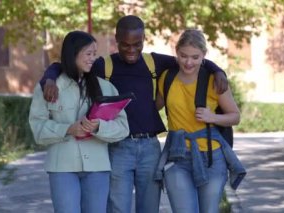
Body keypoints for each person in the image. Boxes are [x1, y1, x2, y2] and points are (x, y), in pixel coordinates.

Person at [40, 16, 228, 213]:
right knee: (118, 207)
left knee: (149, 208)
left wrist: (218, 70)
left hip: (150, 148)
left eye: (137, 44)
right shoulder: (104, 65)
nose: (131, 50)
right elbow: (65, 64)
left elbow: (191, 58)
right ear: (116, 39)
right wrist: (50, 79)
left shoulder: (152, 62)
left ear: (144, 39)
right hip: (118, 147)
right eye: (125, 45)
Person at [29, 31, 129, 213]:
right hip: (62, 168)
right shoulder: (49, 88)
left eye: (95, 54)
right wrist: (68, 129)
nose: (93, 59)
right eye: (88, 54)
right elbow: (37, 129)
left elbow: (123, 128)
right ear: (72, 53)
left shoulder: (105, 87)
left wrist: (99, 127)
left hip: (97, 167)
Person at [155, 29, 242, 213]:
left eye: (195, 57)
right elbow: (153, 108)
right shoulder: (167, 79)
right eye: (183, 56)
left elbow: (235, 116)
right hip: (177, 156)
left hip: (211, 157)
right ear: (176, 52)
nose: (188, 62)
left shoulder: (214, 81)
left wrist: (213, 117)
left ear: (204, 55)